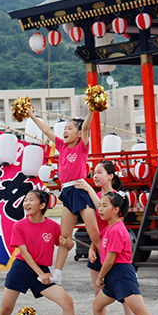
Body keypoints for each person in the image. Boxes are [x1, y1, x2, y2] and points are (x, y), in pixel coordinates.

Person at [0, 189, 88, 315]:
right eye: (26, 200)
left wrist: (70, 243)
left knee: (67, 301)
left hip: (42, 271)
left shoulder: (52, 226)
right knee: (6, 308)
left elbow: (66, 245)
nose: (26, 203)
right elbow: (25, 253)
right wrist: (41, 275)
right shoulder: (19, 225)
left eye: (31, 200)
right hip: (21, 269)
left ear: (42, 205)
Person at [28, 109, 100, 285]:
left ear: (78, 133)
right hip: (67, 192)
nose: (65, 131)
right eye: (64, 129)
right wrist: (30, 115)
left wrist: (91, 110)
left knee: (94, 234)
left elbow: (86, 128)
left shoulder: (82, 146)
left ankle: (117, 265)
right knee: (64, 237)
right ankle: (58, 274)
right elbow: (46, 131)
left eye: (69, 128)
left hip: (79, 189)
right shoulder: (61, 146)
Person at [75, 160, 141, 315]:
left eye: (99, 172)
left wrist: (87, 188)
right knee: (99, 297)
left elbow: (101, 209)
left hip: (115, 253)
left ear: (111, 176)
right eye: (93, 173)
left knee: (127, 297)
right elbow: (96, 226)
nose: (95, 176)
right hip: (99, 247)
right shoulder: (96, 195)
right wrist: (93, 246)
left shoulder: (118, 196)